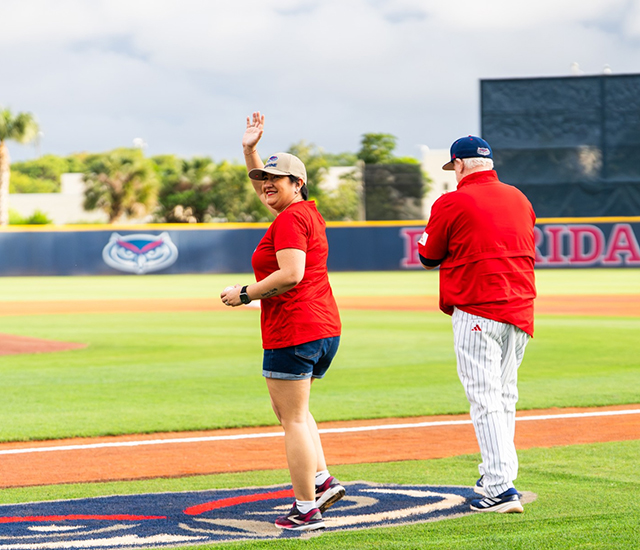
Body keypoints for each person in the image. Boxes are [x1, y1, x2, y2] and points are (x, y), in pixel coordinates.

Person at [220, 112, 345, 531]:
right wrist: (249, 150)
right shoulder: (305, 213)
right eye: (263, 178)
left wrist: (244, 294)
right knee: (297, 411)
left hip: (295, 328)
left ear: (298, 183)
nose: (267, 184)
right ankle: (323, 481)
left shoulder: (291, 219)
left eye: (277, 178)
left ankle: (306, 508)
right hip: (320, 325)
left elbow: (290, 274)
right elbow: (264, 187)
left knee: (290, 419)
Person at [417, 136, 536, 513]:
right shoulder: (519, 197)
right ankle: (495, 474)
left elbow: (427, 255)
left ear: (461, 164)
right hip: (520, 309)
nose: (453, 175)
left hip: (477, 308)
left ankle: (501, 488)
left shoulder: (452, 201)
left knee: (484, 398)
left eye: (453, 168)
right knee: (505, 396)